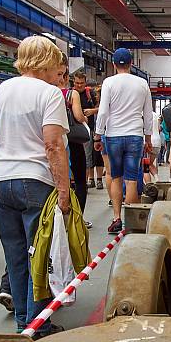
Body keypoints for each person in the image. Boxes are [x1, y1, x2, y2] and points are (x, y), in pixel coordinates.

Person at [0, 35, 70, 335]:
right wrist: (65, 193)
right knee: (39, 255)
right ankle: (36, 325)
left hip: (1, 181)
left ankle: (22, 322)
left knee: (15, 255)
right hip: (35, 180)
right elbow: (53, 145)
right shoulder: (49, 94)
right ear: (47, 61)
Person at [94, 47, 153, 234]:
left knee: (116, 178)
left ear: (113, 64)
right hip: (135, 135)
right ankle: (131, 222)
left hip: (113, 136)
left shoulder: (109, 83)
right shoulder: (142, 83)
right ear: (132, 64)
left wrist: (98, 134)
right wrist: (149, 137)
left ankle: (117, 218)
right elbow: (148, 115)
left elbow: (103, 111)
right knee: (132, 180)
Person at [59, 61, 92, 228]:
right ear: (66, 78)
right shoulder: (71, 94)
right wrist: (85, 119)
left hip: (52, 141)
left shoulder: (44, 92)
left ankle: (58, 220)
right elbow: (78, 116)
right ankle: (78, 219)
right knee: (80, 181)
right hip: (72, 142)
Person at [72, 73, 103, 190]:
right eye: (76, 83)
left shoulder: (91, 94)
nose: (79, 85)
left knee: (88, 156)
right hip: (73, 131)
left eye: (81, 83)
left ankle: (86, 182)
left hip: (89, 129)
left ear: (85, 83)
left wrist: (92, 111)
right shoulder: (70, 93)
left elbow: (103, 108)